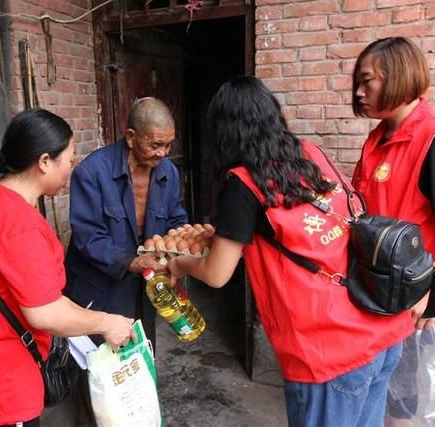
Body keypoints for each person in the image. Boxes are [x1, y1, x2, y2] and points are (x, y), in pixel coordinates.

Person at [166, 76, 413, 427]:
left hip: (330, 351)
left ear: (224, 132)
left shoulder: (243, 182)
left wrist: (180, 263)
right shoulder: (310, 154)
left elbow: (217, 273)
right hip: (381, 328)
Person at [0, 109, 135, 427]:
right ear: (45, 161)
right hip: (0, 382)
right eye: (69, 160)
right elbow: (44, 313)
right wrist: (105, 322)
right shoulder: (18, 224)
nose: (71, 169)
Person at [351, 37, 435, 424]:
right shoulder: (378, 137)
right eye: (357, 84)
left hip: (414, 301)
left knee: (402, 401)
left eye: (368, 81)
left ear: (398, 76)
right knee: (380, 387)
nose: (359, 93)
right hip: (377, 291)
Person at [65, 96, 188, 425]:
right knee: (99, 372)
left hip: (143, 289)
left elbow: (175, 218)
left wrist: (177, 251)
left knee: (136, 363)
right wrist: (133, 262)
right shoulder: (93, 172)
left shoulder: (169, 173)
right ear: (131, 137)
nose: (163, 154)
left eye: (168, 145)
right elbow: (88, 237)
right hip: (100, 290)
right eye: (155, 145)